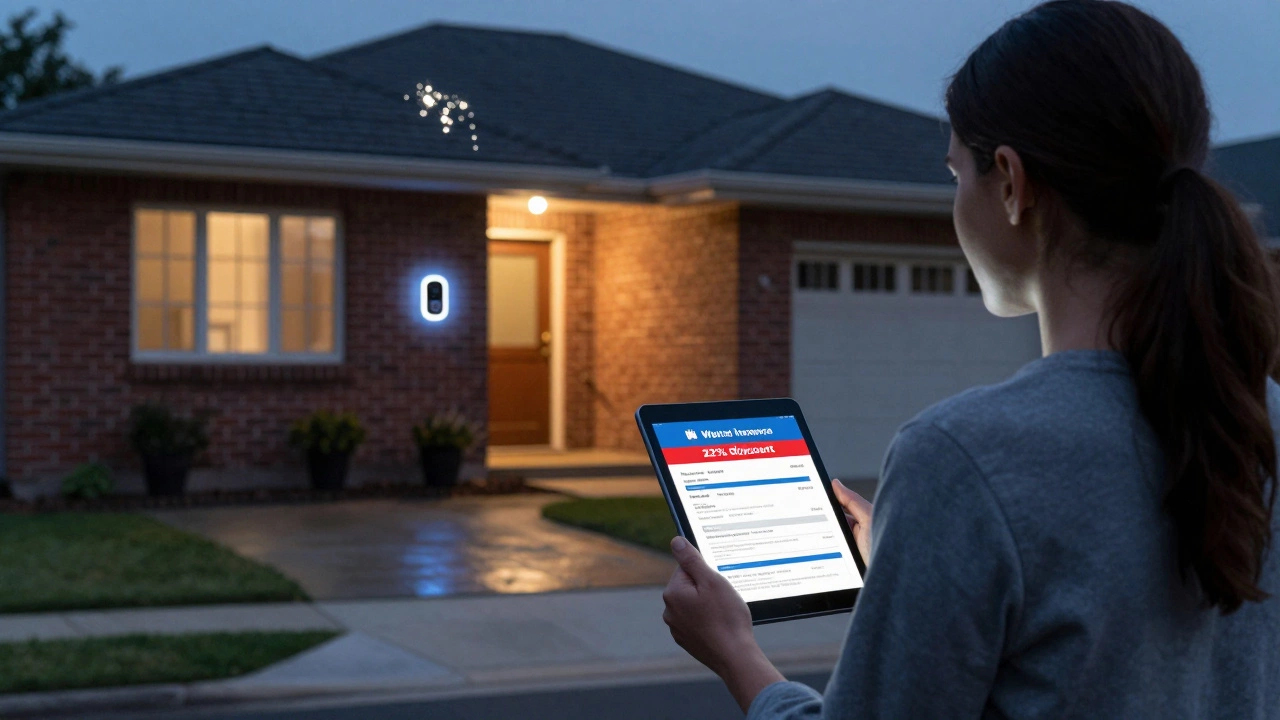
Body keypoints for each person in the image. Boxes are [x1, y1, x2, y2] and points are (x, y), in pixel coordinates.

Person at [659, 1, 1280, 717]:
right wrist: (928, 546)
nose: (956, 201)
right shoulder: (1258, 423)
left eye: (957, 174)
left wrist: (736, 652)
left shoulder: (964, 458)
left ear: (1011, 183)